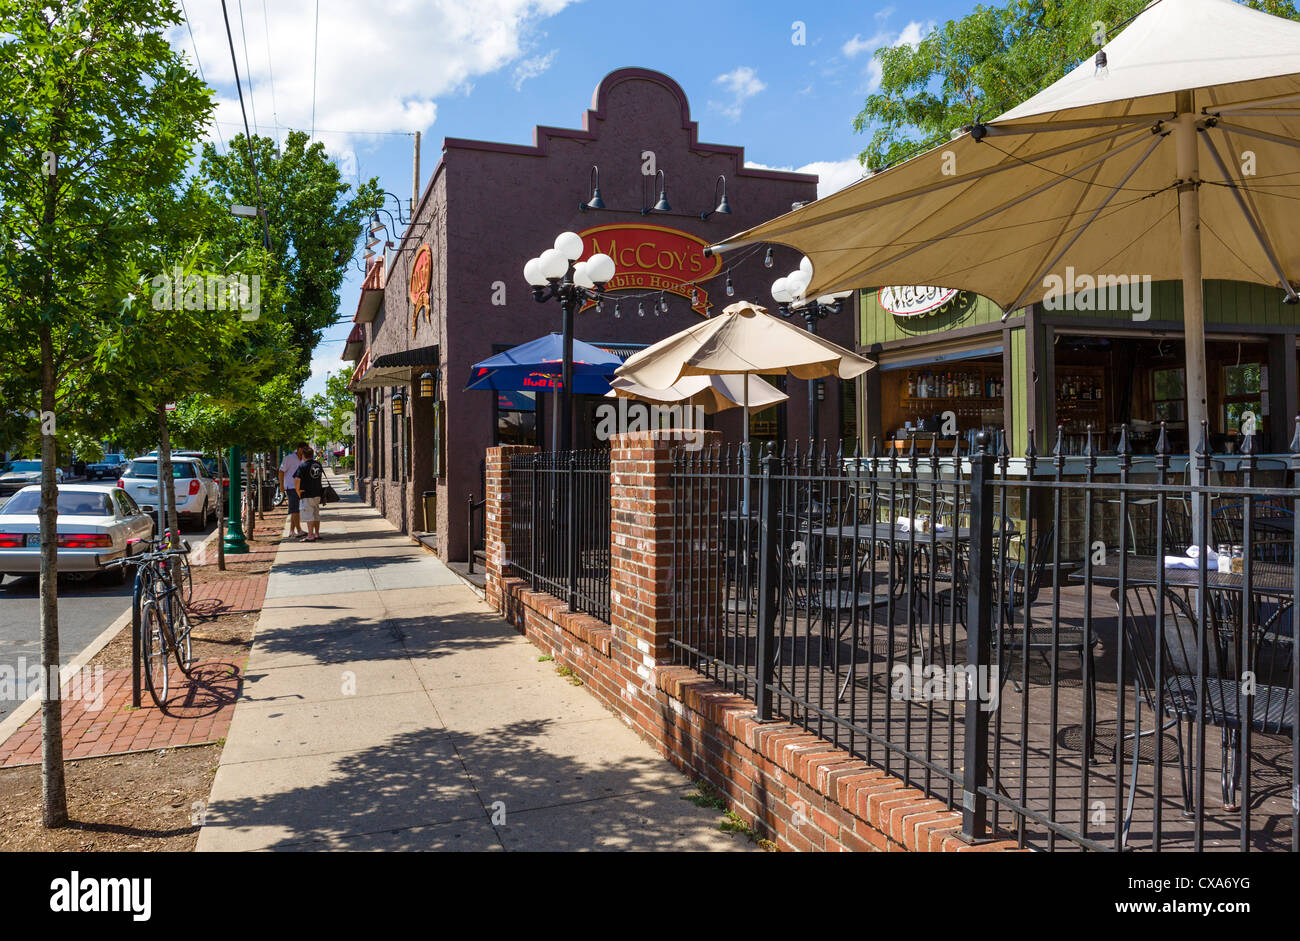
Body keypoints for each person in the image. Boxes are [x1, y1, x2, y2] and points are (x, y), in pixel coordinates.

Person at [294, 446, 326, 542]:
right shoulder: (318, 464)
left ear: (303, 455)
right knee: (316, 514)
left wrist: (297, 491)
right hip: (317, 493)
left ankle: (310, 535)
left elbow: (297, 479)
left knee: (309, 515)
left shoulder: (302, 466)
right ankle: (317, 533)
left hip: (306, 494)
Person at [278, 442, 307, 538]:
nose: (305, 451)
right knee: (295, 510)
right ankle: (298, 530)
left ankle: (291, 531)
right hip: (291, 487)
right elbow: (281, 472)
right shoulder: (289, 458)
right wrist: (281, 486)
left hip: (300, 488)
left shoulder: (304, 459)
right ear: (299, 449)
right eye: (304, 449)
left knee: (296, 510)